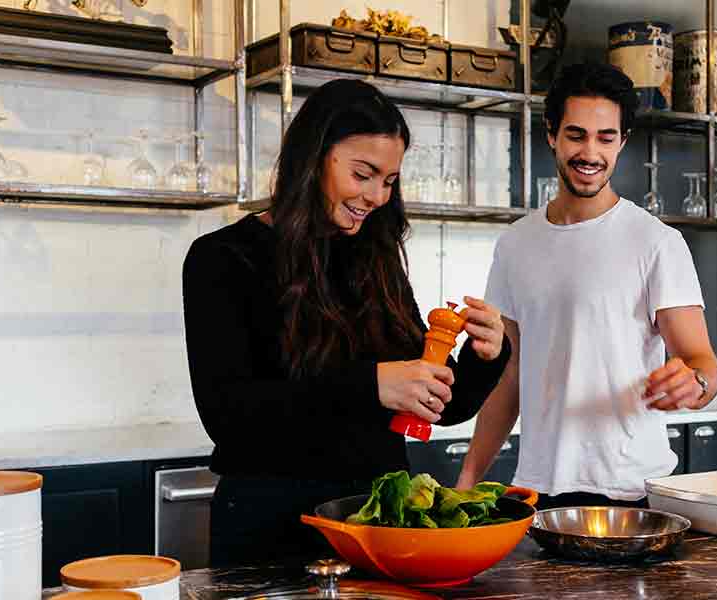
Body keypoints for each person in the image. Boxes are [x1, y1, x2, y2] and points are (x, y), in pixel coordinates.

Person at [182, 79, 511, 566]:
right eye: (364, 174)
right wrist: (372, 385)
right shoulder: (223, 259)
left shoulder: (375, 259)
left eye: (390, 180)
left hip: (376, 522)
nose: (377, 196)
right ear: (313, 157)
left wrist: (484, 356)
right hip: (269, 527)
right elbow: (228, 416)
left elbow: (437, 406)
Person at [456, 62, 717, 509]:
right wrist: (467, 479)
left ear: (623, 142)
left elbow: (703, 364)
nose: (590, 152)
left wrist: (694, 383)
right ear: (551, 134)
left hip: (632, 490)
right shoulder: (516, 244)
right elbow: (510, 375)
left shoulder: (656, 242)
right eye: (576, 135)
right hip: (538, 490)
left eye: (606, 137)